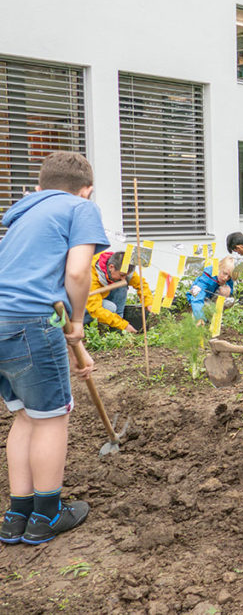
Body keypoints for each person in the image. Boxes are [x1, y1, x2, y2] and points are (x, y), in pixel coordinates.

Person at [0, 151, 106, 545]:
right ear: (87, 191)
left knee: (26, 417)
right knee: (50, 419)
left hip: (4, 321)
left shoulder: (24, 214)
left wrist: (74, 341)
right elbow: (77, 271)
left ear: (39, 187)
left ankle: (16, 516)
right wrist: (77, 322)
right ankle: (47, 515)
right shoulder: (79, 208)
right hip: (32, 322)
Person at [84, 251, 154, 332]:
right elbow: (95, 310)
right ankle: (86, 328)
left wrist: (148, 304)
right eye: (122, 275)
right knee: (109, 307)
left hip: (101, 296)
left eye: (125, 275)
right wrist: (124, 325)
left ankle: (116, 329)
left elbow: (141, 285)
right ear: (111, 267)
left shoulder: (123, 266)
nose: (124, 278)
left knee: (121, 285)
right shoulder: (91, 276)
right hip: (80, 305)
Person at [186, 257, 236, 321]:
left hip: (211, 298)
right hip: (199, 299)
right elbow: (196, 296)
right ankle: (198, 314)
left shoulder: (227, 278)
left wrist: (228, 291)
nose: (226, 278)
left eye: (229, 276)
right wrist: (199, 317)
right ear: (218, 267)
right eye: (225, 273)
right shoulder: (206, 276)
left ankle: (214, 316)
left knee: (230, 301)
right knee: (202, 308)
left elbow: (230, 290)